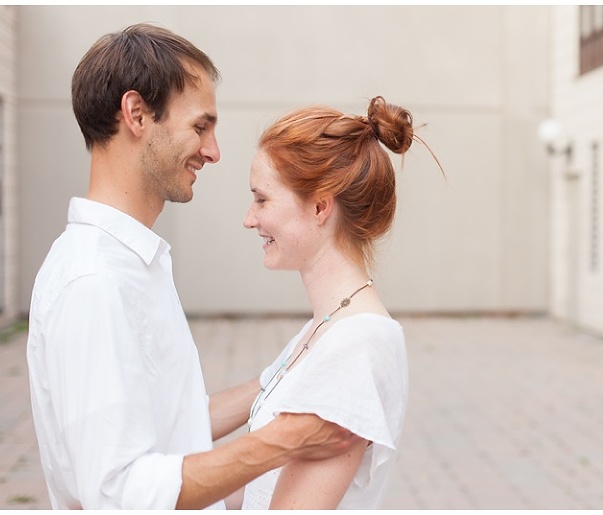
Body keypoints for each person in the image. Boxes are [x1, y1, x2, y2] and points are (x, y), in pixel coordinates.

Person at [25, 23, 356, 510]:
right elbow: (120, 490)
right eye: (201, 126)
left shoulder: (132, 265)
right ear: (136, 114)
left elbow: (170, 423)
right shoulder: (94, 282)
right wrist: (283, 442)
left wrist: (287, 375)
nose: (214, 151)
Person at [240, 96, 442, 509]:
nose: (250, 218)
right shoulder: (325, 326)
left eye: (262, 199)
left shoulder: (356, 345)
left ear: (319, 206)